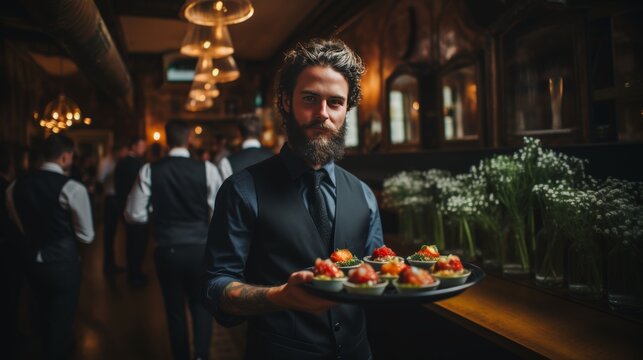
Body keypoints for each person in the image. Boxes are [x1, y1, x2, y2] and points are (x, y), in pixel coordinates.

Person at [202, 38, 383, 359]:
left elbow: (376, 274)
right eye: (310, 99)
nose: (323, 114)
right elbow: (216, 288)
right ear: (286, 101)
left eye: (335, 103)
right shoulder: (242, 189)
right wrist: (279, 296)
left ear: (346, 110)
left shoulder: (365, 195)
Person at [125, 120, 228, 360]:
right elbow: (219, 212)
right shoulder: (208, 169)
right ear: (189, 139)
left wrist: (156, 214)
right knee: (202, 306)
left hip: (167, 248)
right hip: (201, 248)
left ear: (167, 140)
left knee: (174, 310)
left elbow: (134, 214)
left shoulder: (150, 170)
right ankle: (201, 355)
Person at [6, 134, 95, 359]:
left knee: (39, 318)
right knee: (61, 325)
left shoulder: (15, 186)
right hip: (63, 263)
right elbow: (87, 236)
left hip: (31, 261)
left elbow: (19, 224)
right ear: (65, 157)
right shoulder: (73, 188)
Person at [114, 136, 148, 286]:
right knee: (137, 243)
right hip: (134, 206)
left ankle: (134, 272)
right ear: (133, 146)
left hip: (125, 205)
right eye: (141, 146)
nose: (144, 149)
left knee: (133, 242)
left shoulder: (123, 162)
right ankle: (134, 275)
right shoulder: (134, 163)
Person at [97, 143, 128, 274]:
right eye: (124, 151)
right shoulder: (105, 162)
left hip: (121, 198)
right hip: (111, 198)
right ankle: (108, 264)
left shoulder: (122, 163)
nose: (125, 154)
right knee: (109, 233)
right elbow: (99, 180)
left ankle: (117, 263)